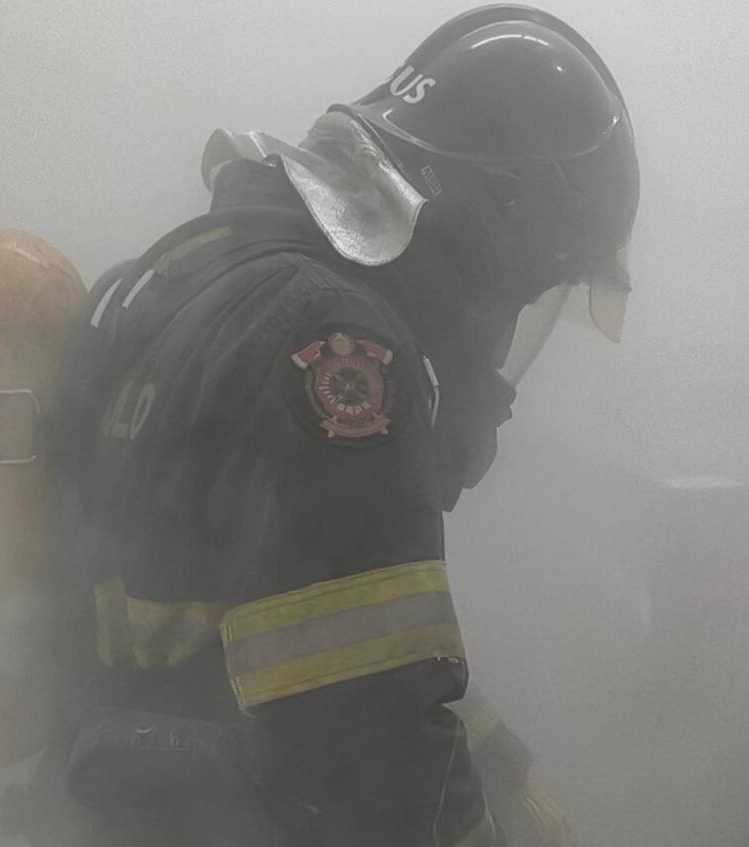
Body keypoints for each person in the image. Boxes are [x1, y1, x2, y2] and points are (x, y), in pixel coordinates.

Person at [47, 6, 640, 846]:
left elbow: (337, 638)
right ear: (495, 228)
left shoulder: (217, 278)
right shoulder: (338, 347)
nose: (505, 329)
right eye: (527, 288)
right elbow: (371, 743)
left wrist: (499, 760)